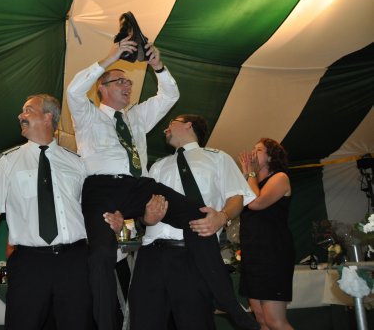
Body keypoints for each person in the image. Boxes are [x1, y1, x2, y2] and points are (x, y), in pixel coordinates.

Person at [67, 38, 258, 330]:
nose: (128, 86)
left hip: (138, 186)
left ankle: (231, 307)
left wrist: (158, 66)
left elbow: (170, 94)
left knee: (198, 215)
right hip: (101, 188)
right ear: (102, 88)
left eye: (129, 82)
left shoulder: (136, 117)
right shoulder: (87, 115)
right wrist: (112, 56)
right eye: (120, 81)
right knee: (101, 255)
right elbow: (73, 89)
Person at [0, 94, 93, 330]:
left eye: (28, 110)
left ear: (48, 117)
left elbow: (89, 209)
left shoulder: (77, 163)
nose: (20, 116)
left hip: (74, 262)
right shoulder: (8, 162)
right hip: (29, 263)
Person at [127, 114, 256, 329]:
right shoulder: (157, 166)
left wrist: (222, 216)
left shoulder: (218, 158)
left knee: (195, 322)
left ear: (188, 125)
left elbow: (237, 197)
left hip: (193, 253)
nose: (165, 129)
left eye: (171, 123)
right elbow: (145, 207)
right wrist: (146, 218)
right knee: (144, 321)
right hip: (151, 255)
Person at [238, 138, 294, 330]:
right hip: (252, 253)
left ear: (270, 157)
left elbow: (256, 203)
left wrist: (251, 173)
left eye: (259, 150)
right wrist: (246, 175)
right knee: (261, 319)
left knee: (274, 321)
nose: (253, 152)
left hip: (273, 254)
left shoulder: (280, 178)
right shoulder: (250, 181)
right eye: (253, 149)